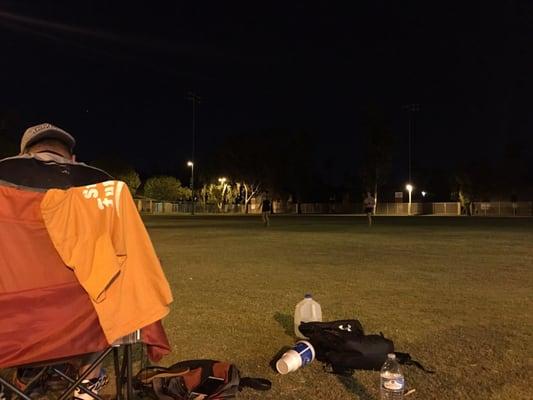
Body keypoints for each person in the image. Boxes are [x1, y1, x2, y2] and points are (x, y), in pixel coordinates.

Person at [0, 123, 112, 399]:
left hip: (9, 327)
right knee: (107, 291)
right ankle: (89, 381)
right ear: (72, 161)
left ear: (23, 157)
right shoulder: (100, 207)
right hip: (80, 328)